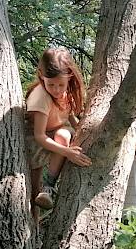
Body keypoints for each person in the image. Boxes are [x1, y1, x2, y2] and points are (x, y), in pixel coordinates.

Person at [25, 48, 92, 216]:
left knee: (63, 135)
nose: (56, 89)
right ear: (42, 77)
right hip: (39, 140)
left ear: (69, 77)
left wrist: (79, 129)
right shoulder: (41, 97)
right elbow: (39, 136)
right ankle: (35, 224)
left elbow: (68, 114)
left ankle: (49, 186)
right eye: (51, 85)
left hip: (58, 133)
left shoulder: (66, 92)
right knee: (32, 195)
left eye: (61, 84)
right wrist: (67, 152)